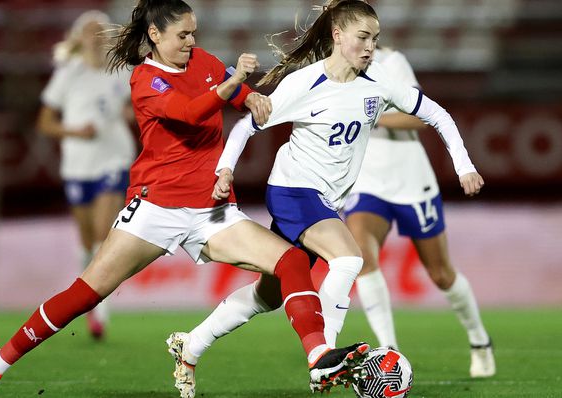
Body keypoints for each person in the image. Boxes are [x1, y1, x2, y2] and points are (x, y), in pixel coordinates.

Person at [0, 1, 368, 397]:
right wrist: (232, 86)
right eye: (182, 34)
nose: (191, 41)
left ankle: (319, 356)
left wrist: (246, 96)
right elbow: (191, 112)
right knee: (86, 294)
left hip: (211, 212)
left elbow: (226, 82)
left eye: (194, 33)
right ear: (155, 35)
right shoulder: (146, 78)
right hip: (155, 208)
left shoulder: (204, 61)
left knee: (292, 260)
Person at [165, 1, 485, 396]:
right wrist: (224, 170)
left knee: (269, 295)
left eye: (375, 39)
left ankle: (190, 346)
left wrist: (463, 165)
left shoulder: (380, 80)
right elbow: (247, 126)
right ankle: (324, 359)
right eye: (362, 37)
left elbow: (436, 114)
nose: (370, 47)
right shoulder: (307, 83)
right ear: (337, 36)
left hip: (325, 200)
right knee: (350, 258)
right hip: (293, 190)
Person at [342, 45, 496, 377]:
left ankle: (479, 339)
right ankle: (389, 351)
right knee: (362, 258)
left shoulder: (390, 61)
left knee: (441, 274)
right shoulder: (325, 67)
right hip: (365, 182)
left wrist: (369, 116)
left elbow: (416, 118)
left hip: (410, 181)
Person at [36, 10, 136, 340]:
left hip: (114, 157)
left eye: (101, 31)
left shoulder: (120, 73)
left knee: (100, 233)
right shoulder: (68, 74)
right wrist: (76, 132)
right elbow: (45, 122)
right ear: (79, 37)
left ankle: (100, 312)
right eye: (90, 31)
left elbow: (139, 107)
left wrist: (130, 112)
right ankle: (88, 299)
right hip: (78, 164)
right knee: (85, 241)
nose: (96, 36)